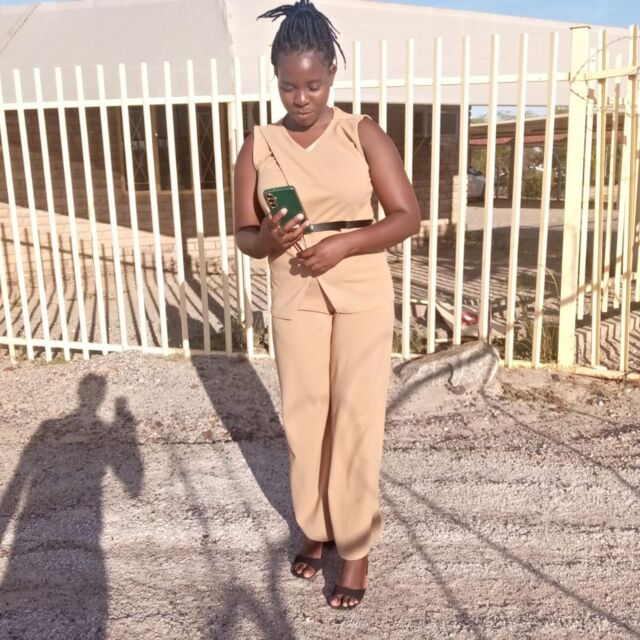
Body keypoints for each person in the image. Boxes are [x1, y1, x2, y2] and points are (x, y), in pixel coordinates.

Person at [233, 0, 420, 610]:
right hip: (294, 289)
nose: (301, 98)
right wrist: (268, 238)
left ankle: (356, 546)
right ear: (275, 78)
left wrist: (343, 243)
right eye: (289, 86)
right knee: (305, 416)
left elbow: (406, 217)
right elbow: (243, 236)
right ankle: (315, 525)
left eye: (313, 85)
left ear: (332, 74)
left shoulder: (360, 131)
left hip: (361, 286)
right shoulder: (258, 144)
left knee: (356, 416)